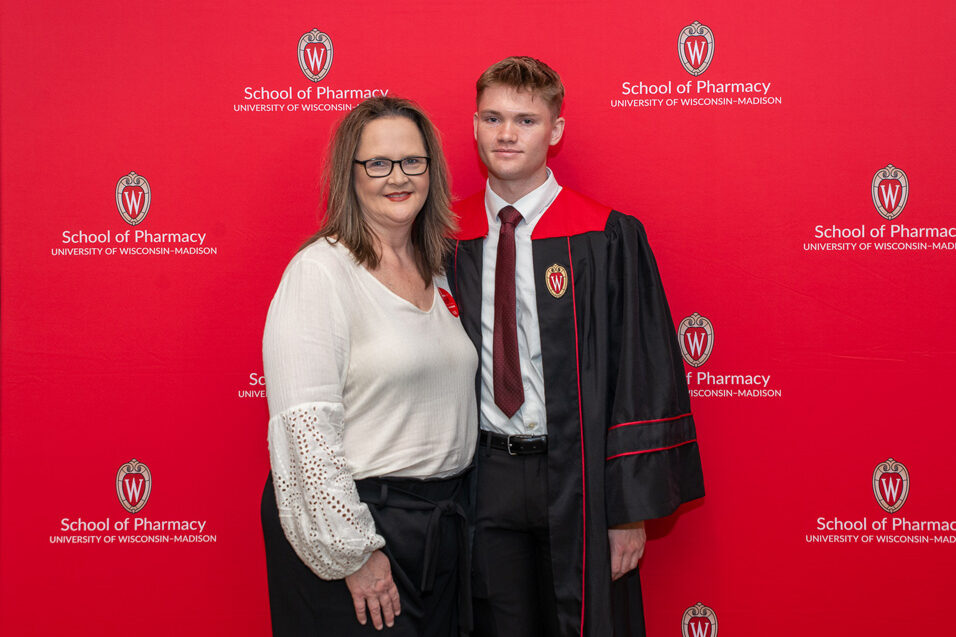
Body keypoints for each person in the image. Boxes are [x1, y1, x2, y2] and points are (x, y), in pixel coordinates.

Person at [445, 57, 705, 636]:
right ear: (475, 125)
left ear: (555, 131)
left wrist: (629, 509)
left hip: (580, 478)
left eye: (525, 120)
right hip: (480, 474)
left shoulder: (607, 236)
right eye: (493, 118)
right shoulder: (442, 237)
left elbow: (642, 370)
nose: (506, 133)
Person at [260, 96, 478, 637]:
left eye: (412, 161)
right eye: (377, 163)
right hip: (362, 528)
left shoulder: (440, 271)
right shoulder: (320, 273)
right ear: (349, 175)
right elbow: (305, 431)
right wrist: (353, 553)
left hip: (438, 529)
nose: (397, 177)